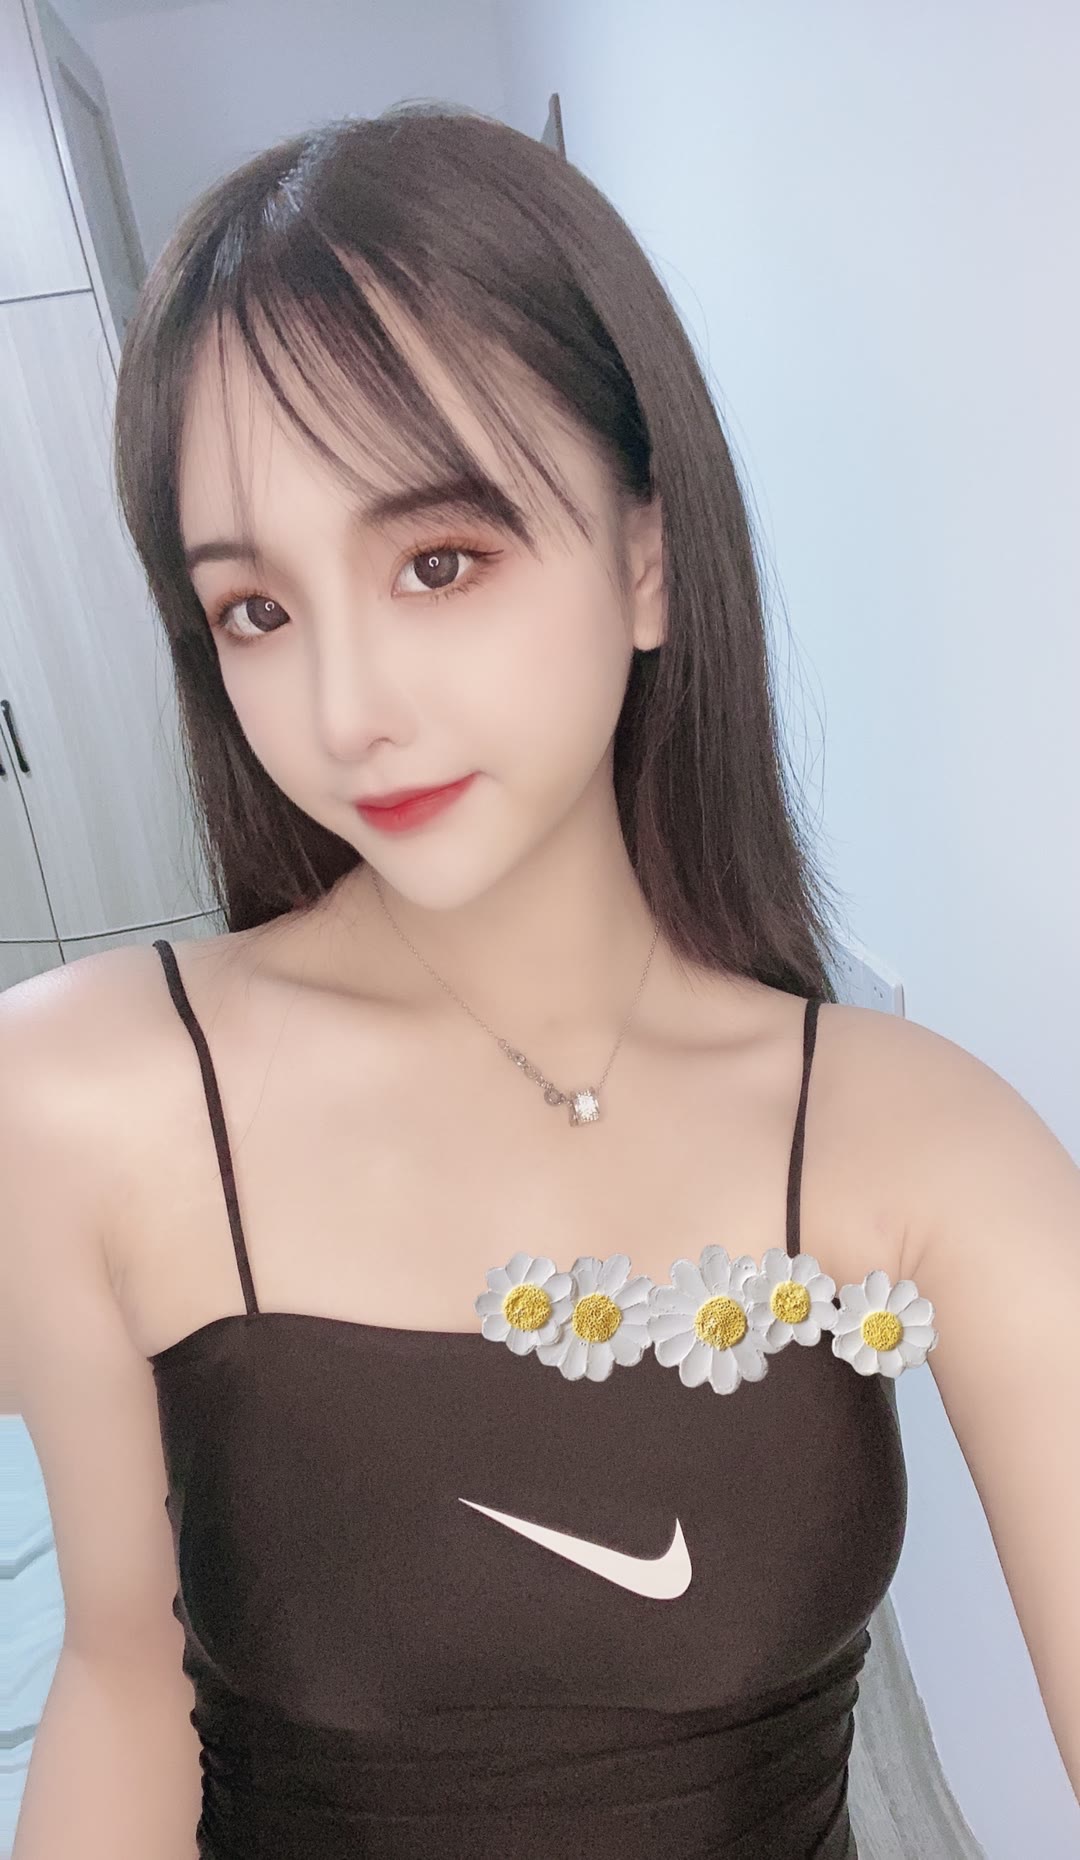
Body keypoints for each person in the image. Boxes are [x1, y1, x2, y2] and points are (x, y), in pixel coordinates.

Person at [3, 103, 1077, 1860]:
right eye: (258, 610)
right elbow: (125, 1672)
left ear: (647, 560)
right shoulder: (84, 1094)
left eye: (440, 563)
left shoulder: (919, 1143)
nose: (347, 707)